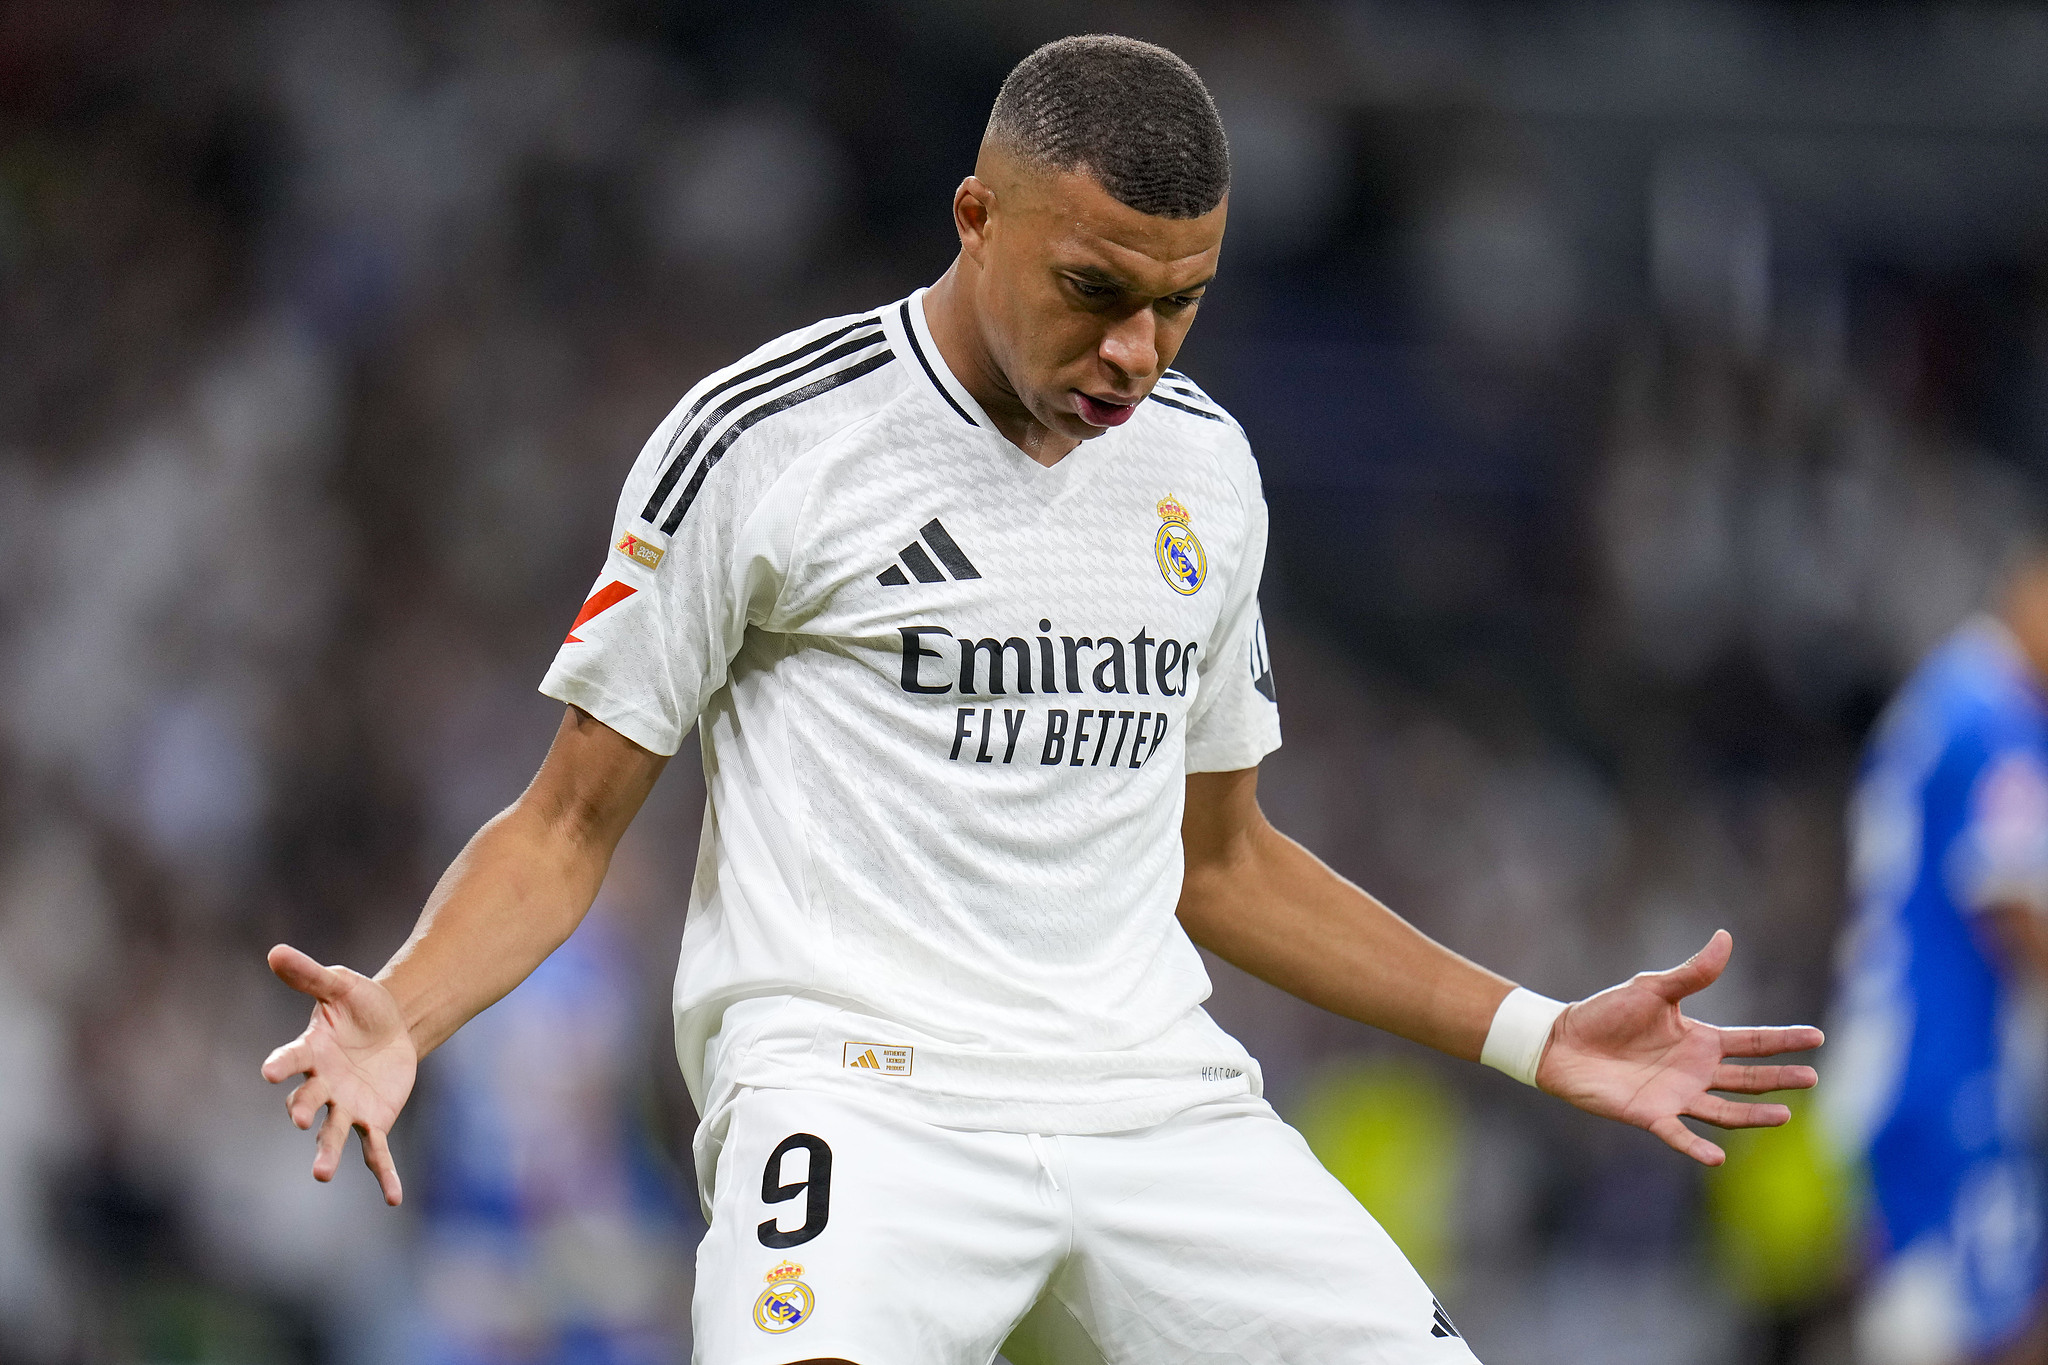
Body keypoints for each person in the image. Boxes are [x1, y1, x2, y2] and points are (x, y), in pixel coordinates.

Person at [261, 35, 1820, 1365]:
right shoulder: (767, 441)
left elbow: (1223, 865)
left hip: (1156, 1102)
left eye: (1183, 300)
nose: (1135, 352)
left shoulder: (1202, 464)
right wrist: (412, 1005)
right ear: (975, 216)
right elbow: (564, 826)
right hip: (860, 1103)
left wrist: (1536, 1033)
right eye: (1093, 289)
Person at [1827, 550, 2048, 1365]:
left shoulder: (1951, 695)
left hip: (1903, 1047)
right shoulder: (1996, 718)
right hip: (1946, 1061)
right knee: (1996, 1330)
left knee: (1921, 1321)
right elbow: (2015, 910)